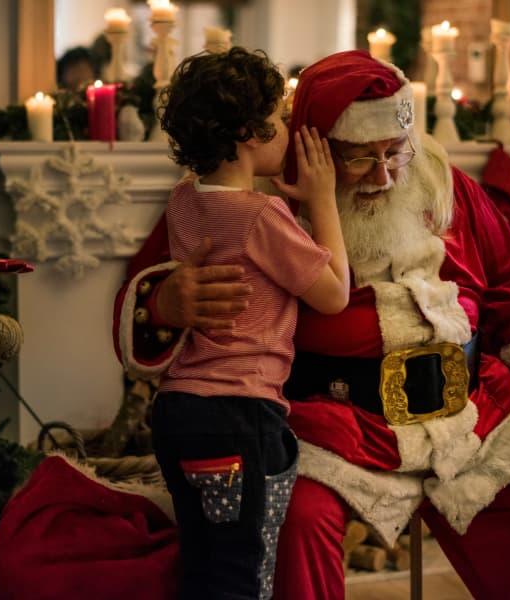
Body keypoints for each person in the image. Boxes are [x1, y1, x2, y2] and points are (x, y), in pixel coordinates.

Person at [113, 49, 510, 599]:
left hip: (470, 419)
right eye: (359, 158)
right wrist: (165, 302)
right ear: (313, 145)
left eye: (394, 153)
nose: (382, 175)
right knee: (295, 519)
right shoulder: (244, 199)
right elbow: (142, 299)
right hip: (332, 432)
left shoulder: (442, 183)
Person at [146, 47, 349, 600]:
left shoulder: (183, 198)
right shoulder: (263, 216)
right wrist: (324, 201)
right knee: (244, 573)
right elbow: (334, 294)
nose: (287, 129)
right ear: (247, 133)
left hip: (177, 410)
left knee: (204, 566)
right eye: (280, 120)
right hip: (240, 414)